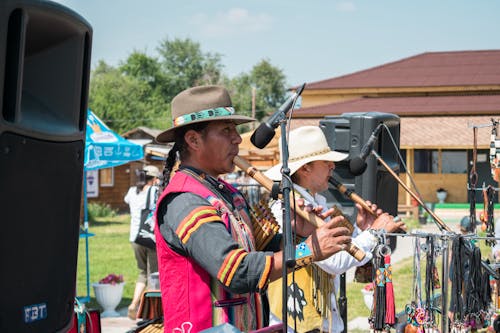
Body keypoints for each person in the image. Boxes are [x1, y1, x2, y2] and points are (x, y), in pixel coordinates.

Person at [153, 85, 353, 332]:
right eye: (226, 130)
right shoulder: (185, 199)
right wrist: (309, 249)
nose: (237, 138)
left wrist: (297, 232)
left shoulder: (228, 193)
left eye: (235, 130)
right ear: (194, 140)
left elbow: (258, 248)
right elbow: (236, 271)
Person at [264, 126, 406, 333]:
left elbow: (342, 251)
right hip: (296, 323)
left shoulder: (315, 202)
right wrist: (374, 232)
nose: (333, 166)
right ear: (305, 168)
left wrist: (361, 229)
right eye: (326, 162)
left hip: (323, 320)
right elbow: (333, 262)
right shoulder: (289, 207)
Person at [124, 165, 161, 320]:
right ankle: (153, 312)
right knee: (154, 274)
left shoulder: (132, 191)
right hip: (150, 238)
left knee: (142, 273)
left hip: (135, 238)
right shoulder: (154, 191)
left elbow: (126, 201)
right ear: (153, 178)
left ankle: (134, 303)